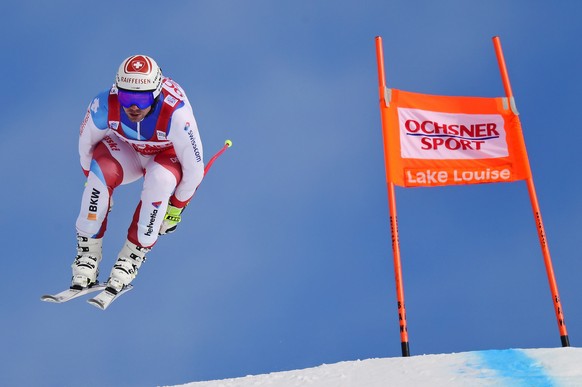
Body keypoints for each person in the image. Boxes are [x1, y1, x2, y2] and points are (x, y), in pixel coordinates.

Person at [72, 54, 204, 294]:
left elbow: (195, 169)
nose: (134, 107)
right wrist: (94, 185)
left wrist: (176, 209)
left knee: (161, 181)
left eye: (142, 99)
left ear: (156, 93)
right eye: (127, 96)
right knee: (99, 172)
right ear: (117, 90)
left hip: (164, 155)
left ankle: (132, 256)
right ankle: (87, 254)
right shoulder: (104, 104)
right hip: (128, 149)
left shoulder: (176, 115)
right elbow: (85, 148)